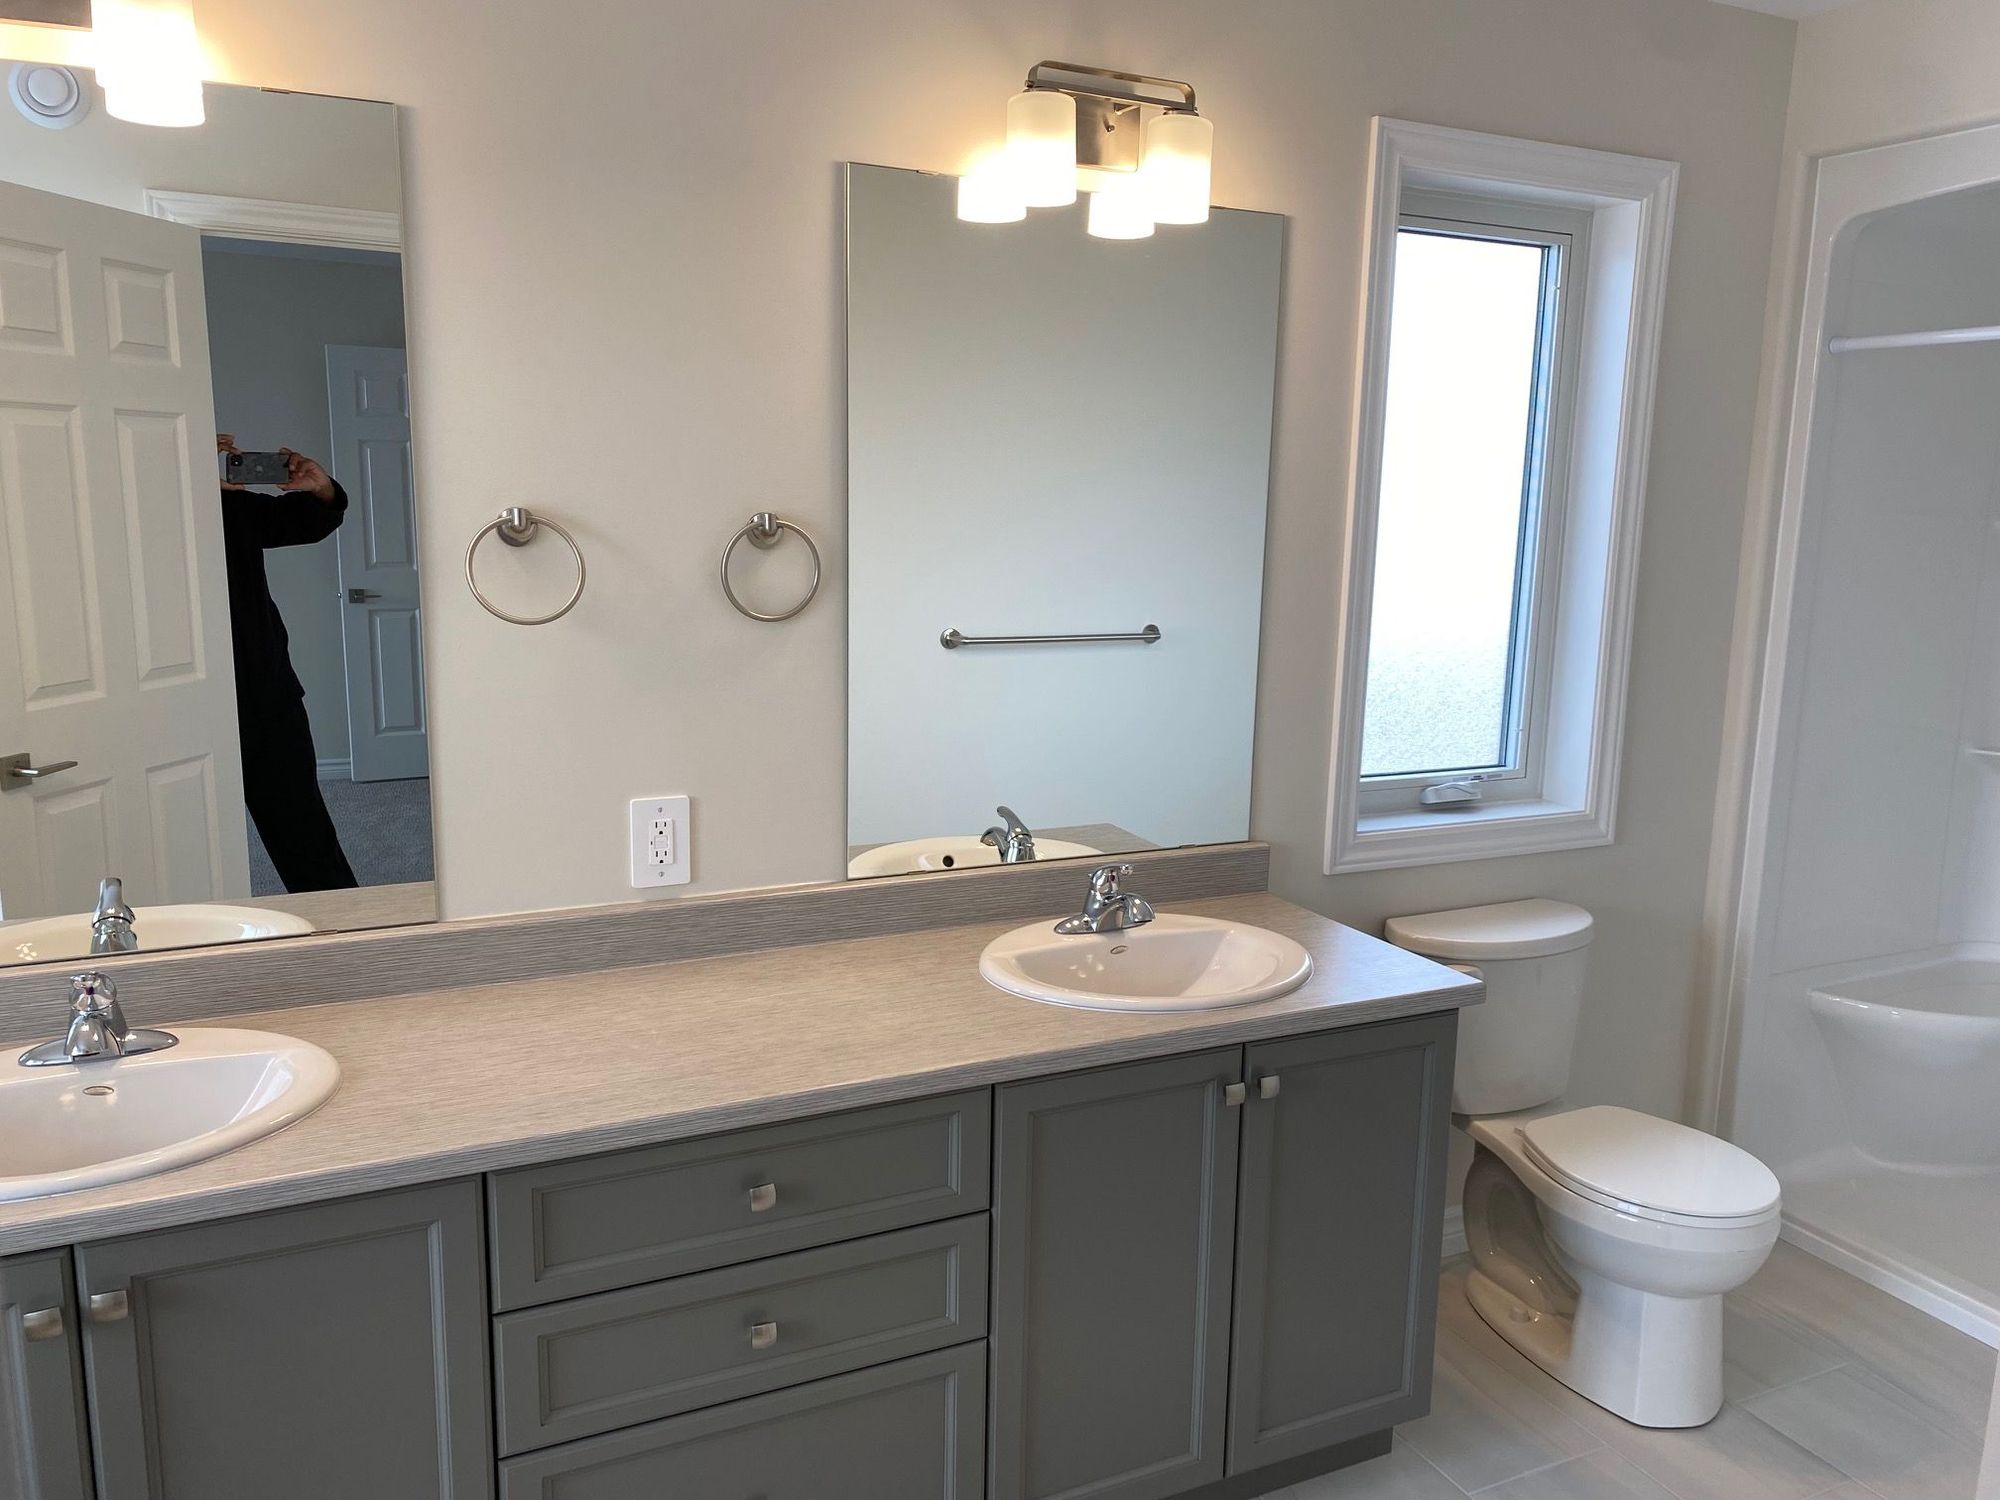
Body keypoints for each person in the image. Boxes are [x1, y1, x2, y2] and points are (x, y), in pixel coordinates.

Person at [217, 435, 359, 893]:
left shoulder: (226, 506)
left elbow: (303, 522)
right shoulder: (132, 507)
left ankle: (345, 931)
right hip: (176, 709)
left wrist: (322, 490)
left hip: (266, 695)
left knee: (306, 837)